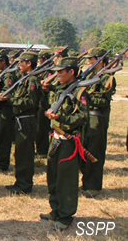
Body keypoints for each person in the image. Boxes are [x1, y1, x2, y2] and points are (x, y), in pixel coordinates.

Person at [40, 56, 89, 231]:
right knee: (52, 175)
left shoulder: (80, 92)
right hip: (55, 137)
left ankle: (66, 215)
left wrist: (61, 117)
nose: (57, 74)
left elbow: (82, 117)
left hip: (69, 140)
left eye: (61, 72)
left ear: (71, 72)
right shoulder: (58, 89)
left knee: (66, 180)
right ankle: (56, 209)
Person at [0, 51, 40, 194]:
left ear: (29, 63)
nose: (19, 65)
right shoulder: (24, 78)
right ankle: (20, 182)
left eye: (21, 62)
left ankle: (24, 185)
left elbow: (30, 101)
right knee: (19, 153)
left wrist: (9, 100)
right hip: (20, 119)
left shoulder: (32, 80)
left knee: (25, 154)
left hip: (27, 120)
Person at [81, 47, 116, 198]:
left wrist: (87, 95)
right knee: (84, 150)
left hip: (97, 117)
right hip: (86, 116)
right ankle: (86, 182)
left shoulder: (108, 78)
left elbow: (103, 100)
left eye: (92, 59)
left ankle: (93, 186)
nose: (89, 62)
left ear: (100, 60)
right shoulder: (91, 75)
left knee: (95, 151)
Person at [0, 50, 16, 173]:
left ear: (3, 62)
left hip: (6, 109)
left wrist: (1, 94)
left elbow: (7, 89)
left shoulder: (8, 75)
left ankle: (2, 164)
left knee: (4, 137)